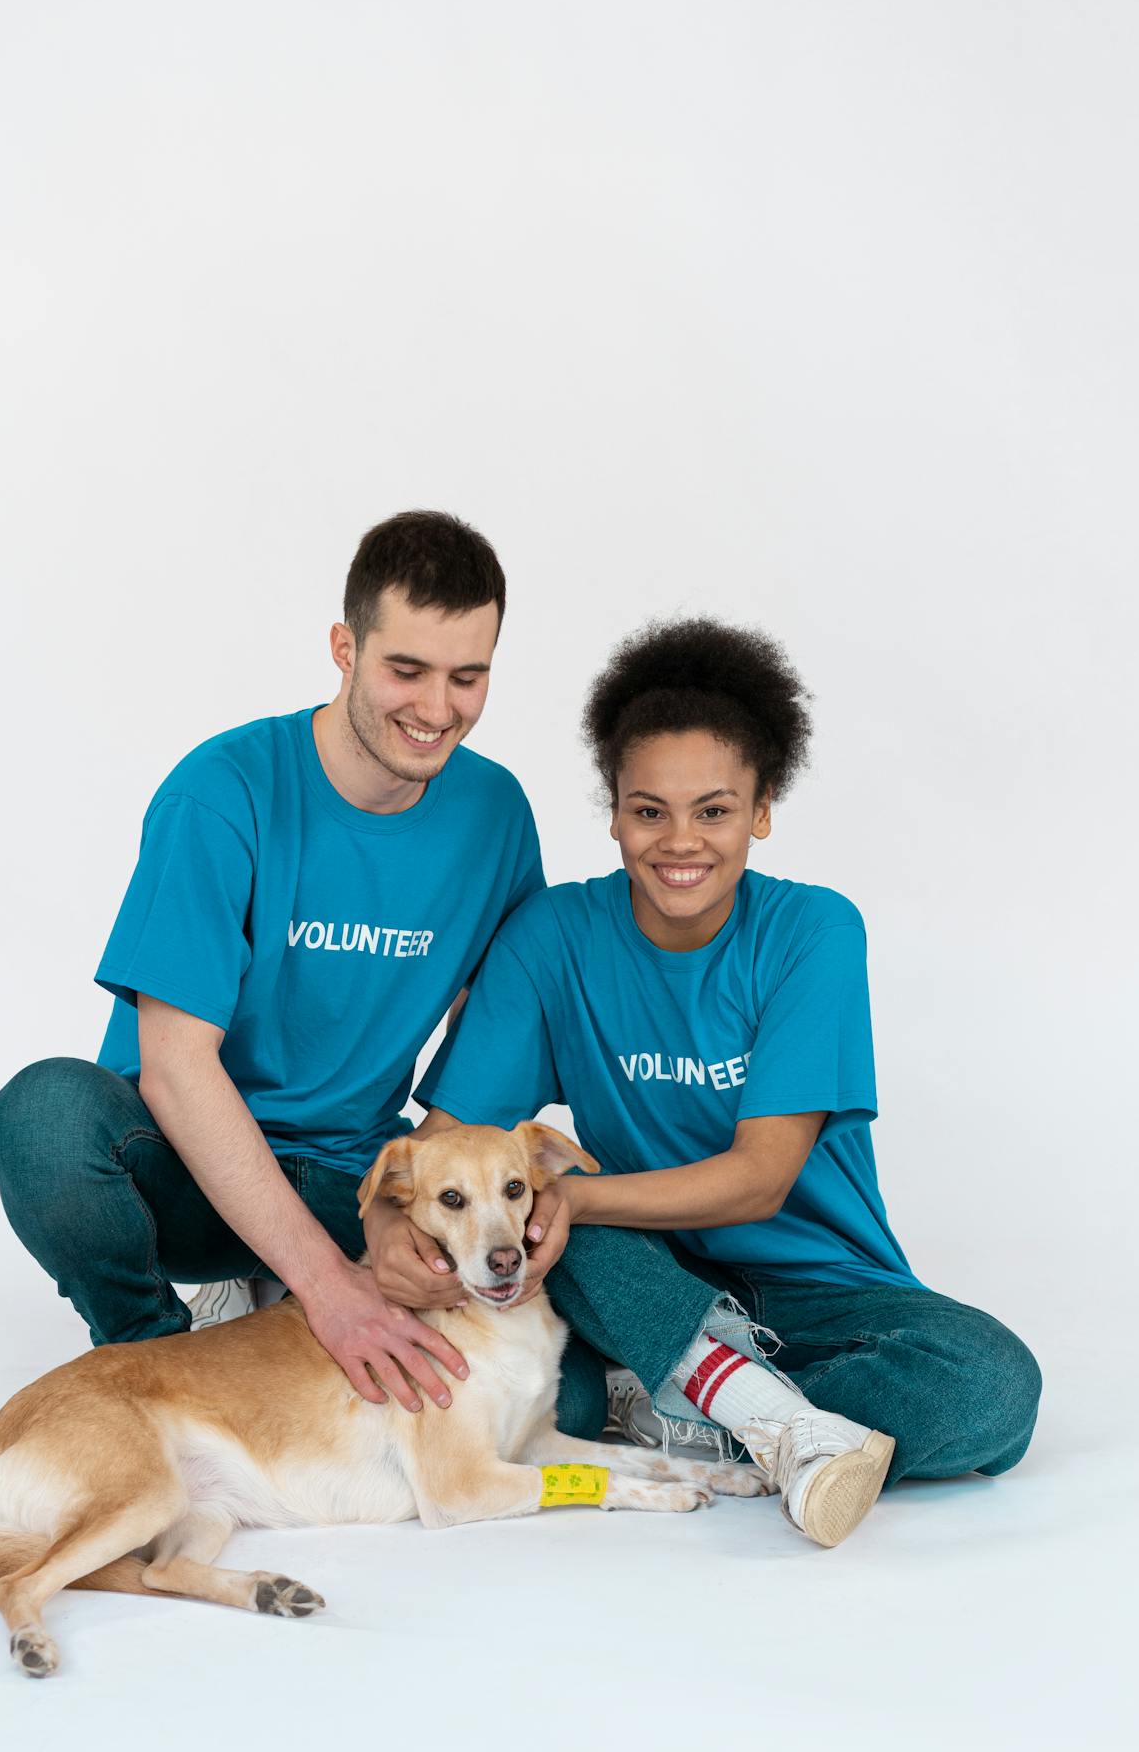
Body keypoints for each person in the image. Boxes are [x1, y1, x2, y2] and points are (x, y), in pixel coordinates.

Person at [367, 617, 1041, 1546]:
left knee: (990, 1390)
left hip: (822, 1291)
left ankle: (692, 1404)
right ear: (612, 811)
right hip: (631, 1277)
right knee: (541, 1241)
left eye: (714, 810)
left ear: (761, 811)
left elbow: (760, 1177)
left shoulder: (812, 934)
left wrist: (579, 1201)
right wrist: (387, 1231)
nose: (678, 841)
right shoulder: (551, 938)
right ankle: (774, 1429)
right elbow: (451, 1148)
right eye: (648, 810)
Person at [0, 510, 545, 1414]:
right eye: (406, 670)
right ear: (344, 648)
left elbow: (500, 1030)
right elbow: (171, 1068)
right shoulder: (223, 791)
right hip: (187, 1172)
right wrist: (331, 1288)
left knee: (585, 1228)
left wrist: (418, 1205)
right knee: (42, 1117)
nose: (438, 710)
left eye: (466, 678)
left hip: (351, 1178)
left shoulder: (497, 814)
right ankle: (157, 1363)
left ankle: (272, 1295)